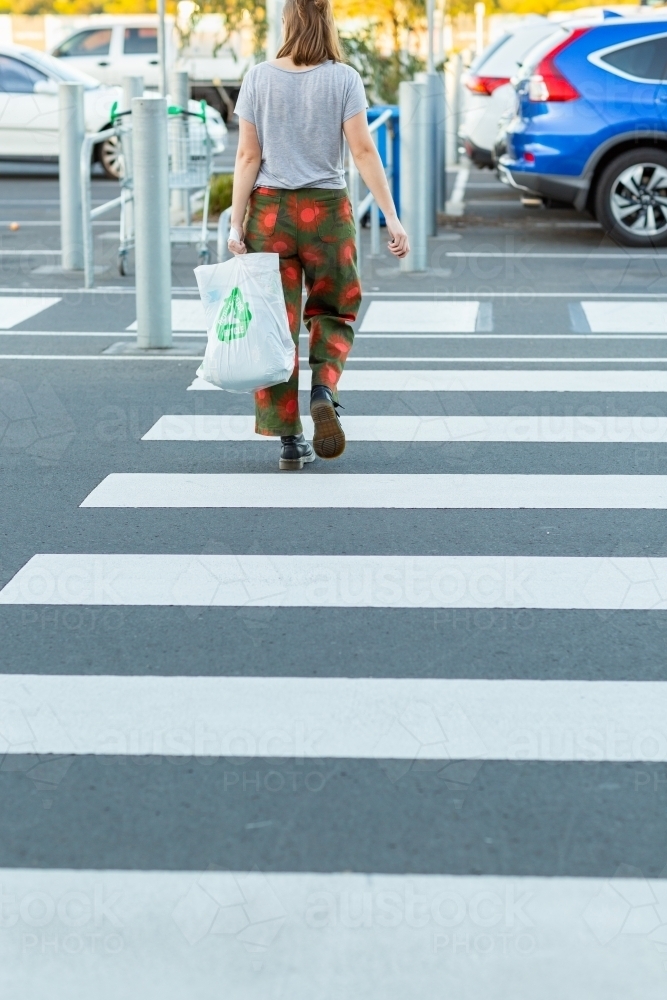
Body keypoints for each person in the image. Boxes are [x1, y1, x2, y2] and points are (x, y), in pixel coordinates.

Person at [228, 0, 409, 470]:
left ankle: (289, 441)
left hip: (269, 214)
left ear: (287, 22)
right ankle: (324, 389)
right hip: (327, 212)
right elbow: (364, 152)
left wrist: (235, 223)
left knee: (274, 325)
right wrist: (391, 217)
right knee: (334, 308)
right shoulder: (344, 78)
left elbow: (248, 157)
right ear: (327, 22)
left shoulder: (258, 78)